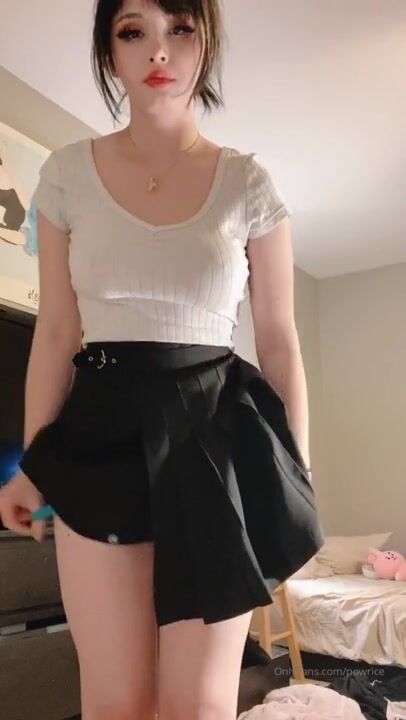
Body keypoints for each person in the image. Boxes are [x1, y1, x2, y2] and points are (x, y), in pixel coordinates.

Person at [0, 1, 324, 719]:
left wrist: (294, 464)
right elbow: (56, 330)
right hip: (97, 432)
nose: (158, 50)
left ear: (206, 43)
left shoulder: (248, 183)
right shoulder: (66, 175)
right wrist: (31, 461)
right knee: (116, 701)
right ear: (107, 50)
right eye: (132, 31)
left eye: (180, 28)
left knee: (198, 704)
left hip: (215, 438)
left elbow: (278, 337)